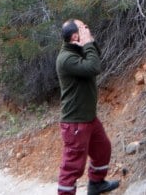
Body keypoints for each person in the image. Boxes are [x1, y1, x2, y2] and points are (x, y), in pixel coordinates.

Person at [56, 19, 121, 195]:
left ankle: (96, 184)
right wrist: (87, 43)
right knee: (72, 166)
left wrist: (89, 41)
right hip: (75, 122)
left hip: (89, 118)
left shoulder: (76, 49)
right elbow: (94, 67)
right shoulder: (66, 58)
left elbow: (96, 55)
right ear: (75, 36)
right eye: (83, 28)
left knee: (102, 149)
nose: (87, 29)